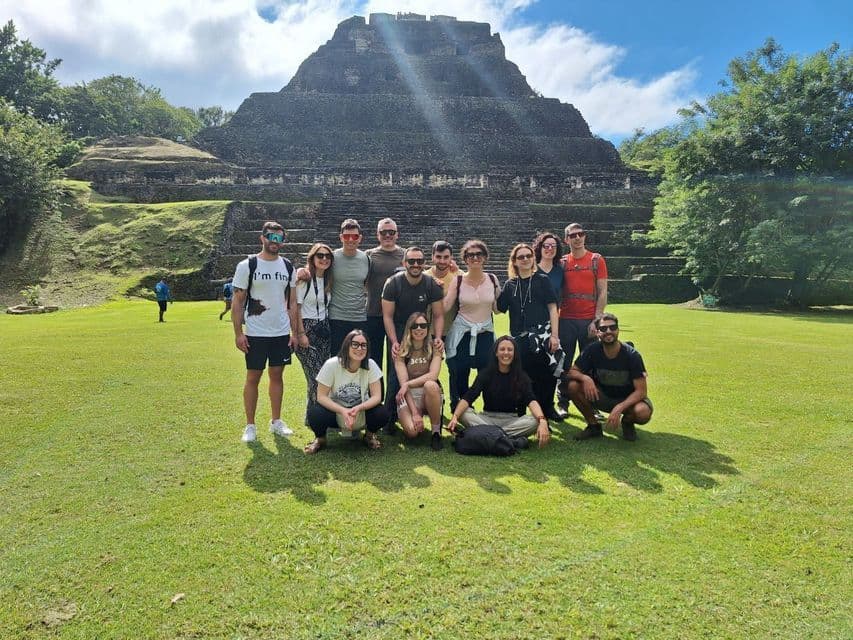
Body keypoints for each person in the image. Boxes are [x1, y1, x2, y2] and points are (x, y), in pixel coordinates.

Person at [231, 221, 299, 443]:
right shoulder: (248, 265)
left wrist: (294, 332)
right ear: (262, 238)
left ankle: (276, 421)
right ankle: (250, 425)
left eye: (279, 238)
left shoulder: (287, 266)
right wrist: (238, 333)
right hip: (255, 331)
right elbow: (238, 301)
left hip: (280, 332)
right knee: (253, 376)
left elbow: (292, 303)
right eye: (271, 236)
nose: (274, 241)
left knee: (277, 376)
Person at [496, 243, 562, 421]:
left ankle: (548, 409)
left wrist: (554, 336)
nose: (525, 259)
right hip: (519, 338)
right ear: (514, 262)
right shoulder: (510, 284)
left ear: (533, 259)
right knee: (521, 376)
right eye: (521, 257)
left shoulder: (542, 280)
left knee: (546, 375)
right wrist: (490, 285)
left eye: (528, 256)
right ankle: (521, 411)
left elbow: (553, 308)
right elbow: (498, 308)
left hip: (542, 336)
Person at [446, 335, 550, 448]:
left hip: (512, 420)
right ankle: (507, 438)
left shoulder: (521, 376)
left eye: (510, 350)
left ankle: (490, 435)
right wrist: (455, 416)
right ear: (496, 353)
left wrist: (542, 420)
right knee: (464, 413)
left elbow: (531, 400)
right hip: (487, 419)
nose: (506, 353)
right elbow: (469, 396)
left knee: (535, 421)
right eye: (502, 349)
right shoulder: (486, 373)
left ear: (514, 354)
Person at [381, 246, 445, 426]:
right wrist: (394, 341)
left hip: (421, 329)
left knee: (425, 369)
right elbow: (387, 316)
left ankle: (429, 410)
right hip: (400, 329)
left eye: (419, 261)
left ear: (424, 263)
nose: (416, 264)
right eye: (411, 261)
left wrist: (438, 337)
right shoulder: (393, 283)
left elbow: (439, 315)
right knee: (395, 374)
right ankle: (389, 418)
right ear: (404, 263)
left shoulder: (431, 284)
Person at [566, 313, 652, 442]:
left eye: (612, 327)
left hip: (627, 399)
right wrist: (585, 378)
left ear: (618, 330)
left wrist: (620, 407)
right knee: (573, 386)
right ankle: (593, 426)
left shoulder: (632, 355)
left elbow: (641, 391)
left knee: (642, 412)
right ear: (597, 332)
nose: (608, 331)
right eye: (603, 328)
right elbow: (572, 372)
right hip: (602, 396)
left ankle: (627, 422)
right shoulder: (592, 350)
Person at [304, 330, 389, 454]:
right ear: (347, 346)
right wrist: (342, 410)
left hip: (360, 412)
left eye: (363, 345)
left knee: (382, 413)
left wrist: (359, 408)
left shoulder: (370, 365)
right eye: (355, 344)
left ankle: (369, 436)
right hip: (336, 412)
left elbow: (377, 397)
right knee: (315, 412)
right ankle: (320, 439)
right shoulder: (331, 365)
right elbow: (321, 396)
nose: (359, 348)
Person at [557, 222, 608, 414]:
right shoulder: (562, 263)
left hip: (589, 321)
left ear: (585, 236)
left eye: (581, 234)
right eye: (573, 235)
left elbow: (602, 291)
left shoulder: (596, 260)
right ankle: (563, 403)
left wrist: (597, 319)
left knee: (591, 365)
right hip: (566, 320)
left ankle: (593, 404)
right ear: (566, 240)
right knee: (564, 363)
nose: (577, 238)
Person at [443, 240, 500, 411]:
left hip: (485, 333)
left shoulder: (492, 279)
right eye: (470, 255)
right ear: (465, 259)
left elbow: (497, 309)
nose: (475, 258)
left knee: (488, 373)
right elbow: (446, 306)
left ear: (485, 257)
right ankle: (461, 407)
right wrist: (432, 290)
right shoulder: (458, 280)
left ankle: (491, 408)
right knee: (460, 372)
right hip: (462, 333)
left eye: (479, 254)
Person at [293, 243, 334, 425]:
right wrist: (300, 333)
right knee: (316, 377)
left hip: (324, 330)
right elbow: (296, 308)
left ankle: (312, 418)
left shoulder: (328, 280)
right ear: (312, 258)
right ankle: (318, 419)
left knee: (323, 377)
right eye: (320, 255)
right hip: (307, 329)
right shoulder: (305, 279)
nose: (324, 259)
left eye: (327, 256)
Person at [394, 312, 444, 450]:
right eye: (415, 326)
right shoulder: (401, 351)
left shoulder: (435, 347)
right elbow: (403, 386)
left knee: (431, 385)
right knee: (412, 432)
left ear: (428, 328)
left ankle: (436, 432)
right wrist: (415, 413)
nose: (419, 329)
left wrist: (408, 383)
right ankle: (415, 416)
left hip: (429, 393)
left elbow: (433, 375)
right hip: (409, 395)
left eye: (423, 325)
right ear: (409, 329)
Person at [365, 218, 404, 376]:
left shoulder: (406, 255)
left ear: (397, 234)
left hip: (398, 316)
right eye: (383, 232)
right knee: (373, 361)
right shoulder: (368, 256)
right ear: (377, 234)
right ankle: (376, 392)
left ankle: (394, 392)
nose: (387, 235)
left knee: (396, 359)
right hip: (373, 314)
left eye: (391, 232)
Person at [326, 219, 370, 354]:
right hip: (336, 317)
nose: (350, 240)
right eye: (346, 236)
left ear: (360, 238)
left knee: (358, 357)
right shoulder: (332, 258)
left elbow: (366, 285)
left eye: (354, 236)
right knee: (337, 358)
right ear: (341, 237)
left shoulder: (366, 259)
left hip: (359, 317)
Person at [424, 240, 458, 339]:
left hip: (453, 331)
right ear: (432, 257)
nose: (442, 261)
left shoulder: (459, 276)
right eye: (438, 257)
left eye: (446, 257)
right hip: (427, 332)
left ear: (451, 257)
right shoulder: (424, 277)